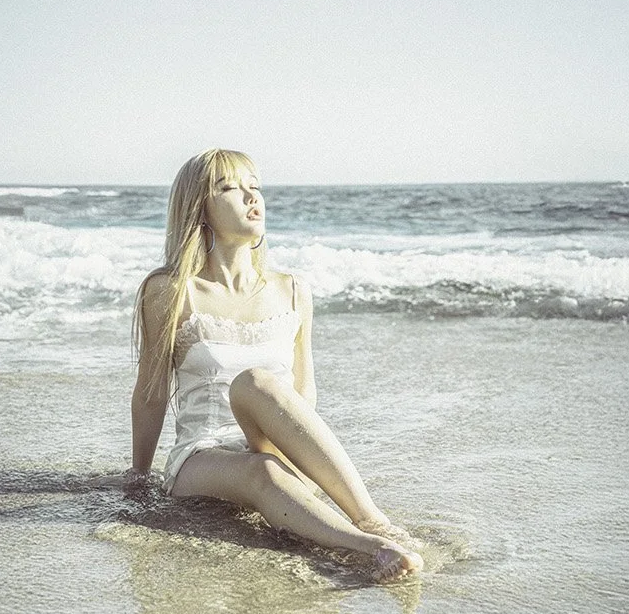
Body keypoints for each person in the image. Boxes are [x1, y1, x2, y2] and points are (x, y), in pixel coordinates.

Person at [125, 148, 423, 582]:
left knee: (259, 384)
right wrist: (138, 477)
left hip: (274, 445)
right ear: (199, 208)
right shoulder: (169, 291)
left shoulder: (294, 291)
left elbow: (303, 393)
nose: (251, 198)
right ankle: (367, 548)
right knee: (260, 467)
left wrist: (305, 464)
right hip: (202, 458)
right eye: (229, 188)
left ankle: (370, 518)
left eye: (255, 187)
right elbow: (151, 394)